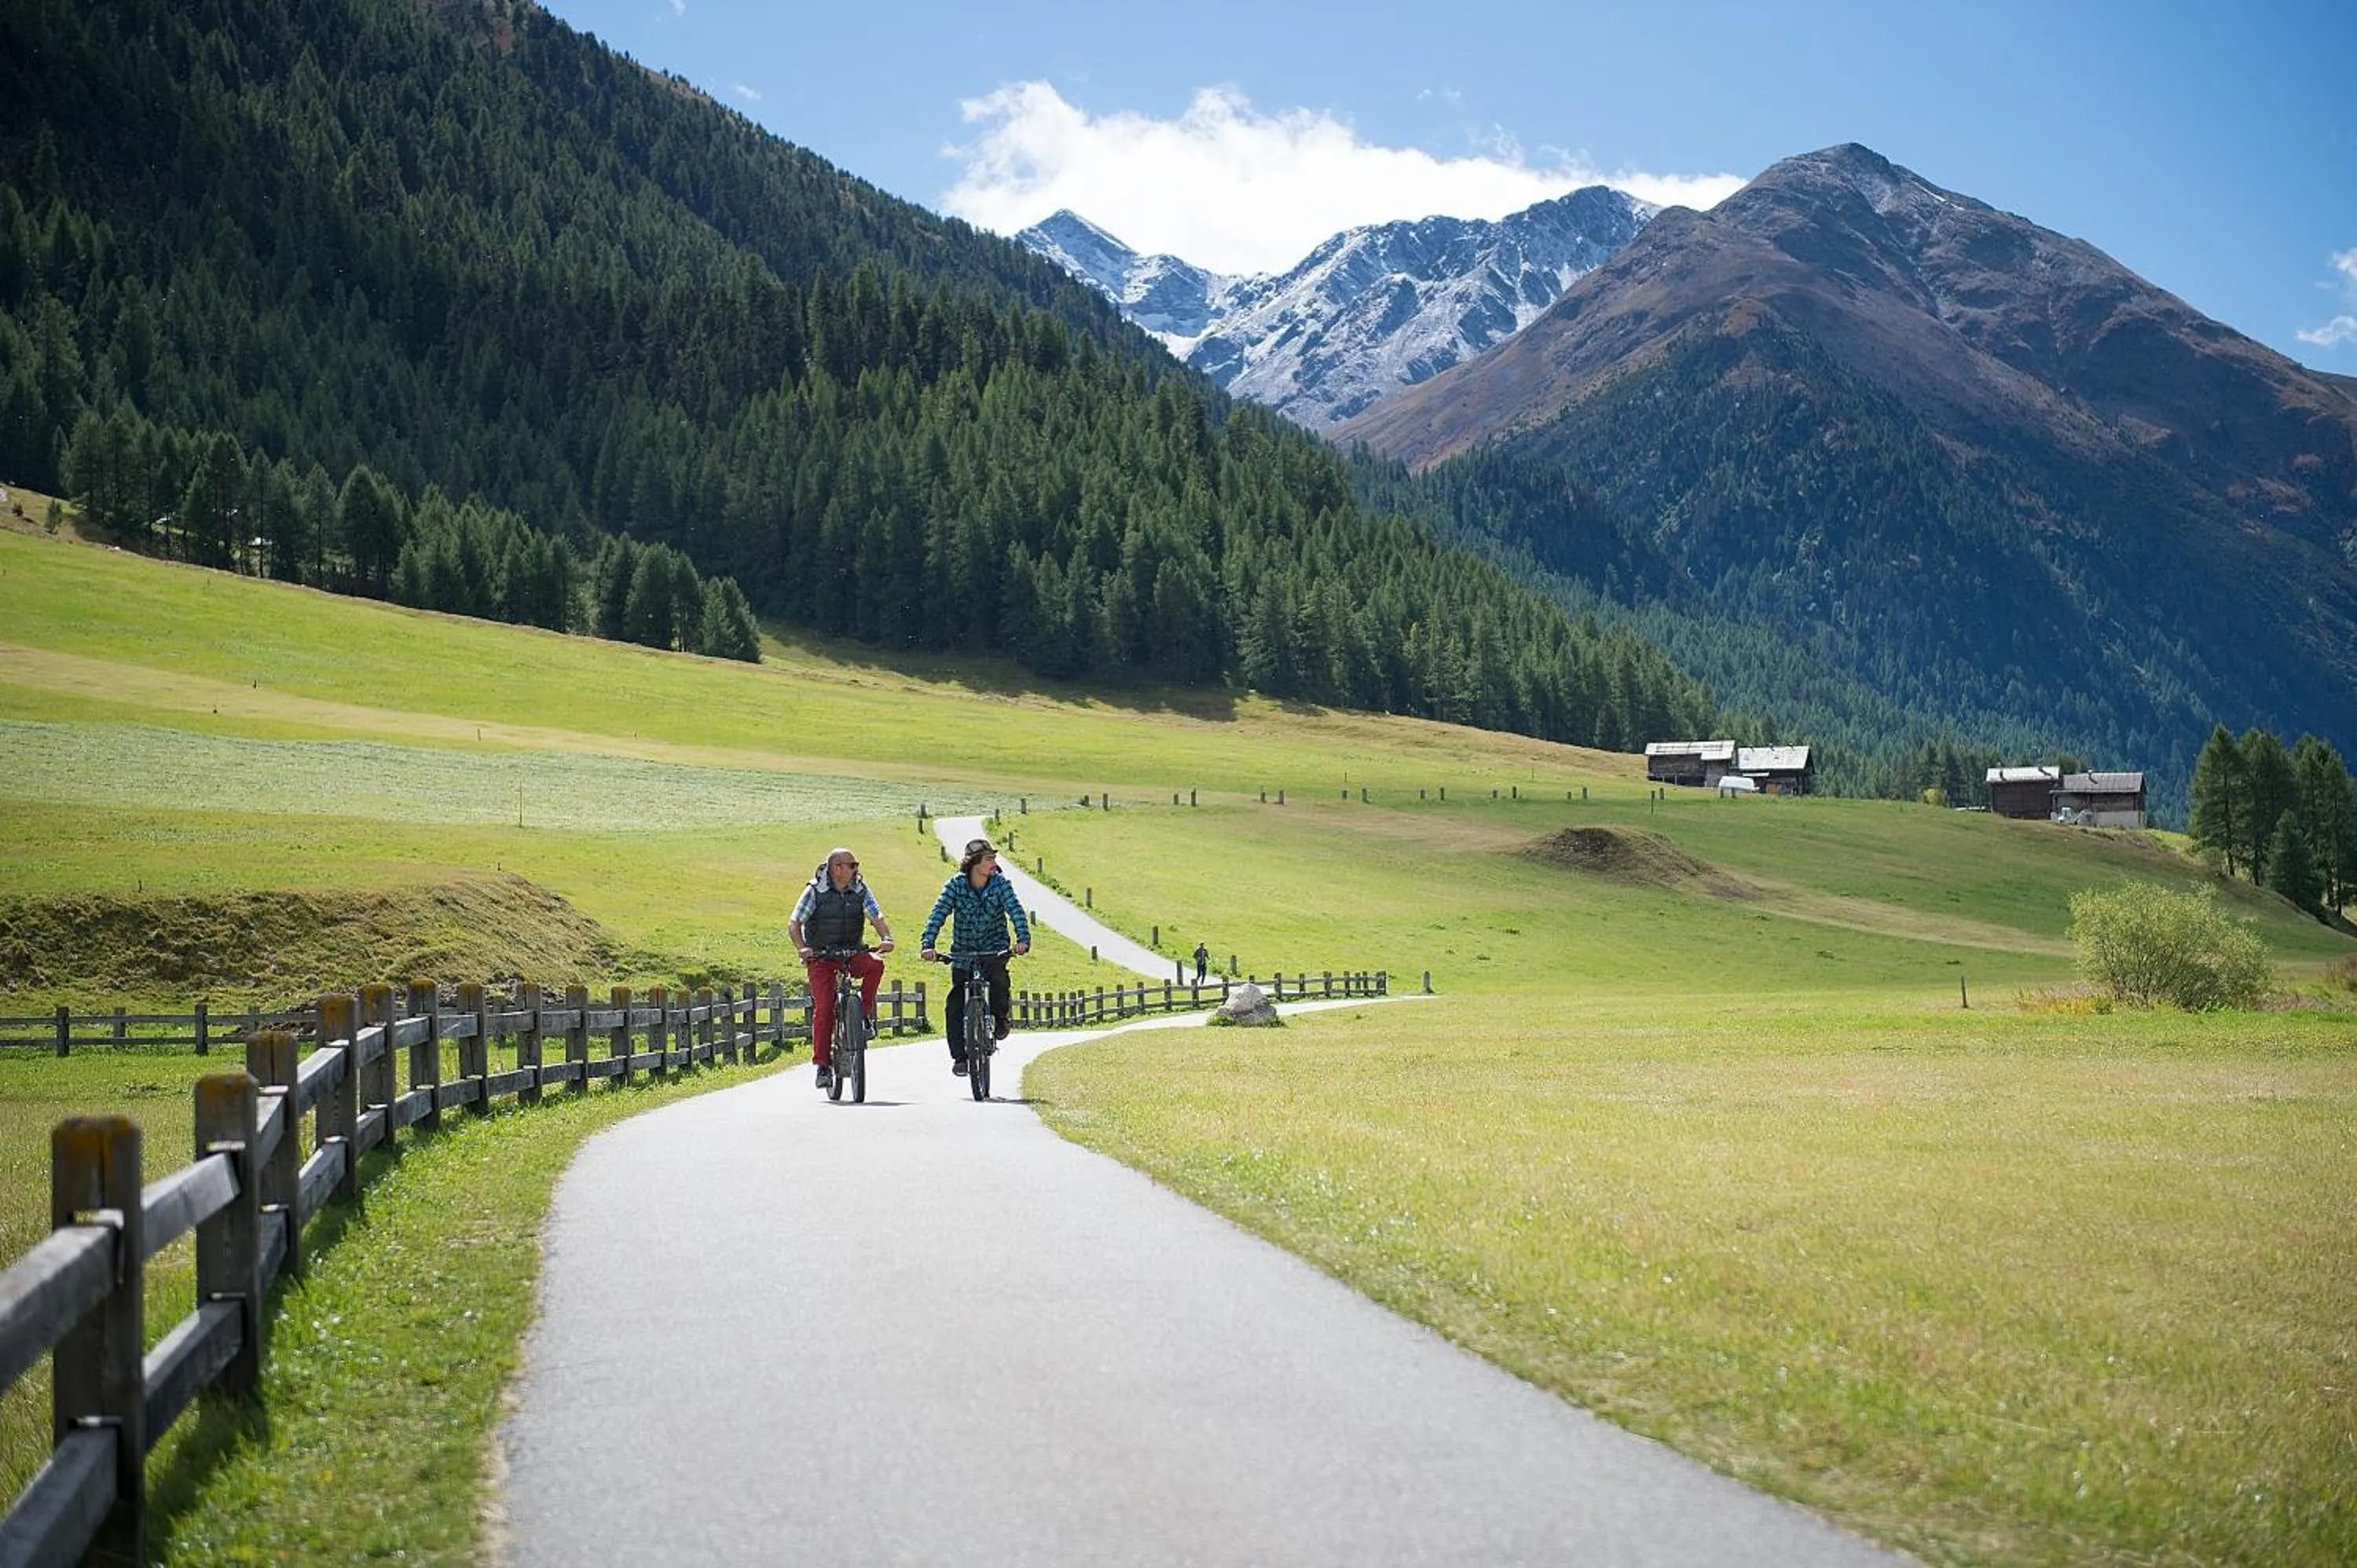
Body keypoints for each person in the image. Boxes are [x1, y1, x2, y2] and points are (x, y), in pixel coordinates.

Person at [918, 837, 1032, 1075]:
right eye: (989, 859)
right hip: (963, 952)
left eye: (994, 858)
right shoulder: (955, 885)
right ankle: (960, 1058)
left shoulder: (1001, 884)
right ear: (974, 863)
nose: (994, 863)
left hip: (994, 950)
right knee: (955, 1004)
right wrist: (928, 944)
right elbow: (938, 914)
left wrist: (1022, 939)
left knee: (999, 983)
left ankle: (1001, 1020)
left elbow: (1015, 910)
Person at [789, 847, 894, 1092]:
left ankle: (863, 1017)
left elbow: (876, 915)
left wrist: (886, 938)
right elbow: (795, 923)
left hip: (851, 953)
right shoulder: (815, 891)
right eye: (852, 865)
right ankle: (823, 1066)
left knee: (876, 965)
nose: (856, 870)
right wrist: (803, 949)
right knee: (825, 1008)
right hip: (821, 958)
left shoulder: (860, 889)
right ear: (837, 868)